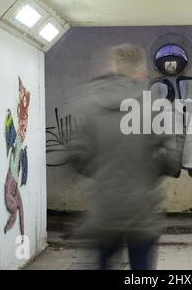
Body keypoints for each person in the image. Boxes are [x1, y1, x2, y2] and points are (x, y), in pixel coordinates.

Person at [67, 43, 183, 270]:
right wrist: (147, 174)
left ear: (113, 67)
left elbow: (77, 155)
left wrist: (103, 173)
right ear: (141, 72)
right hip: (142, 212)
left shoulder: (88, 105)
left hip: (104, 212)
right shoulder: (154, 106)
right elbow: (172, 159)